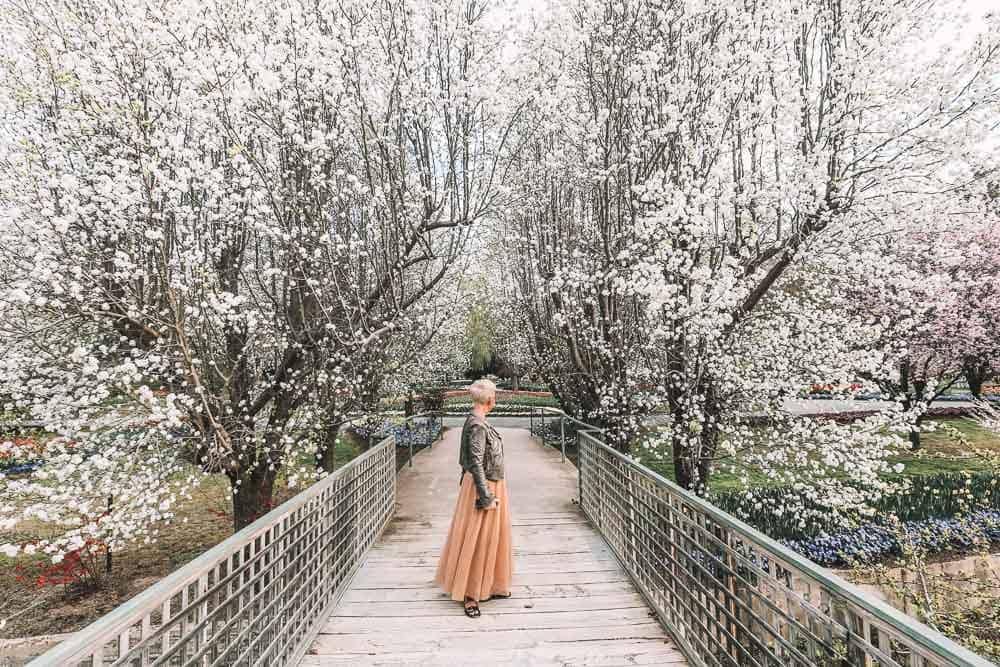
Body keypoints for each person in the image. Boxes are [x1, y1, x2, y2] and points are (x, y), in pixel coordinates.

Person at [434, 378, 513, 618]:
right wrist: (485, 496)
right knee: (478, 537)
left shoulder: (475, 420)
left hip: (488, 482)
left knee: (489, 535)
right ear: (490, 399)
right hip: (484, 485)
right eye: (495, 395)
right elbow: (476, 463)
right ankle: (470, 594)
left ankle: (488, 584)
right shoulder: (478, 424)